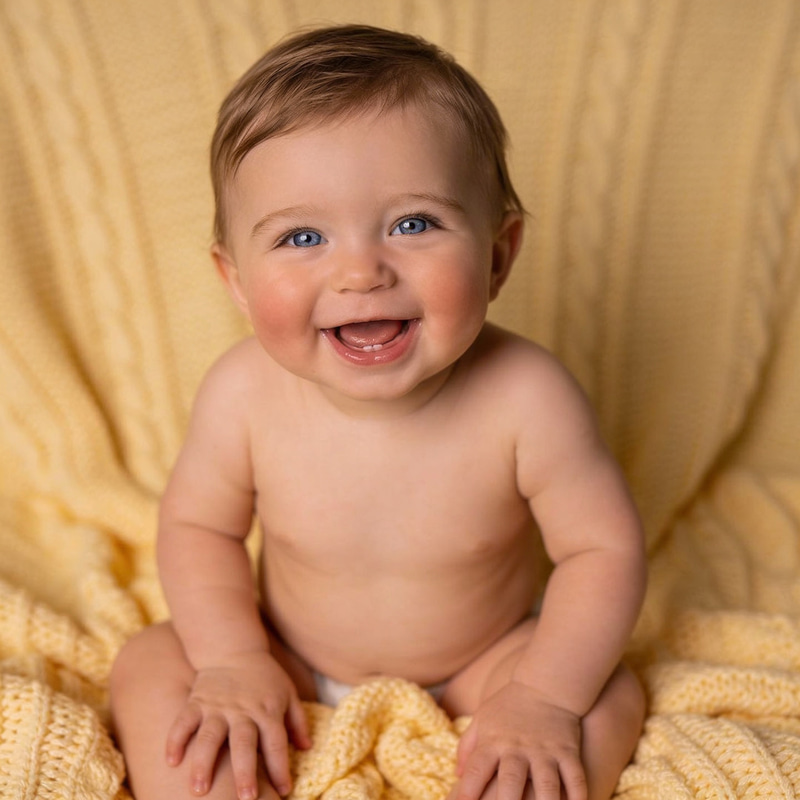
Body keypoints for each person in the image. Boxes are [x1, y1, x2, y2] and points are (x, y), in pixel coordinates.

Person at [110, 23, 647, 800]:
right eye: (302, 236)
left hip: (485, 664)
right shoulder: (242, 393)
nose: (361, 272)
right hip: (284, 658)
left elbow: (602, 550)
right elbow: (200, 528)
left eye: (412, 224)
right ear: (235, 281)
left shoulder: (529, 397)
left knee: (605, 695)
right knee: (149, 663)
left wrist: (542, 696)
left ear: (498, 254)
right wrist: (233, 659)